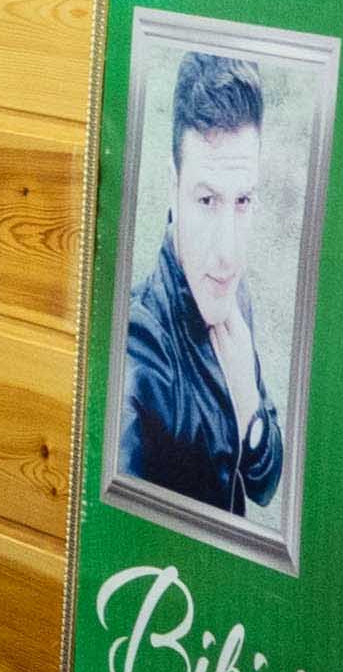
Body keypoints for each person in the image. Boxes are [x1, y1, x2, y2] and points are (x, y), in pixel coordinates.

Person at [120, 52, 292, 523]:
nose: (228, 254)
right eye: (207, 199)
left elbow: (265, 484)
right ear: (172, 187)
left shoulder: (232, 293)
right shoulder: (138, 363)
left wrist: (249, 405)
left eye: (243, 200)